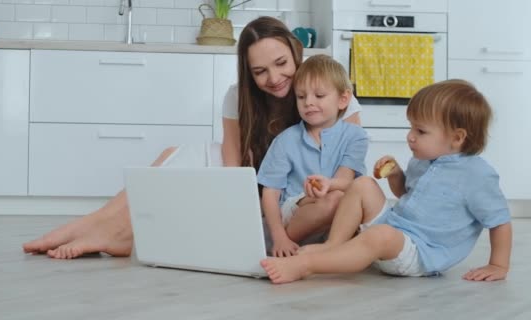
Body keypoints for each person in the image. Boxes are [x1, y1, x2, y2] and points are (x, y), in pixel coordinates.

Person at [22, 16, 362, 259]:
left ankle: (112, 233)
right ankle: (96, 225)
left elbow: (348, 163)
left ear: (295, 50)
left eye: (281, 63)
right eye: (260, 71)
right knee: (179, 153)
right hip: (257, 187)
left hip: (304, 192)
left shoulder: (329, 94)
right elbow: (233, 167)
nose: (274, 78)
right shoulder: (238, 97)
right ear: (248, 73)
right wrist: (241, 213)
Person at [260, 79, 512, 284]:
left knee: (380, 235)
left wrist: (498, 264)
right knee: (364, 184)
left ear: (457, 138)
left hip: (420, 253)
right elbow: (404, 192)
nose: (410, 137)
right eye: (411, 128)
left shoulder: (477, 176)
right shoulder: (423, 160)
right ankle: (333, 246)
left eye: (420, 131)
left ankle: (306, 266)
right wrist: (395, 175)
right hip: (396, 229)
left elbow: (499, 220)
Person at [257, 55, 368, 257]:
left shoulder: (356, 136)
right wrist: (279, 236)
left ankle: (328, 247)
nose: (308, 102)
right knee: (334, 199)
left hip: (337, 208)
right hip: (297, 211)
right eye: (301, 96)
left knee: (346, 198)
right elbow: (270, 193)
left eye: (319, 95)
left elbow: (345, 181)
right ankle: (280, 241)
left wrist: (328, 184)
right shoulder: (285, 140)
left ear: (343, 99)